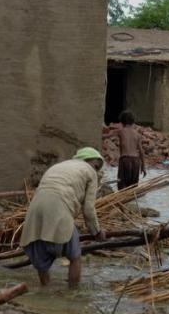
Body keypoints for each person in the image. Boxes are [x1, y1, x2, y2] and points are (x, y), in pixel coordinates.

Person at [19, 147, 106, 288]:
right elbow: (89, 209)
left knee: (41, 262)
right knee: (75, 256)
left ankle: (45, 292)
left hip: (35, 208)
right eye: (96, 166)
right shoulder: (90, 172)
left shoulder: (59, 166)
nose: (96, 171)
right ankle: (72, 294)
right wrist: (96, 231)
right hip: (59, 207)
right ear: (87, 161)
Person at [111, 110, 146, 190]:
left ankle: (122, 202)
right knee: (133, 188)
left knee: (122, 186)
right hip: (136, 161)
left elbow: (106, 136)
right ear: (133, 122)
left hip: (125, 160)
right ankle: (131, 202)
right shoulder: (137, 134)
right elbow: (141, 152)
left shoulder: (120, 131)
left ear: (121, 122)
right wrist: (143, 167)